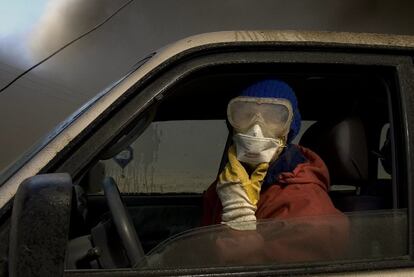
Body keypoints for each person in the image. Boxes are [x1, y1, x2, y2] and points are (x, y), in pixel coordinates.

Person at [202, 79, 349, 263]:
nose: (256, 130)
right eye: (245, 115)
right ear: (233, 126)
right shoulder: (225, 185)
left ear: (288, 130)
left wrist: (239, 228)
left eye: (273, 118)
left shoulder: (306, 201)